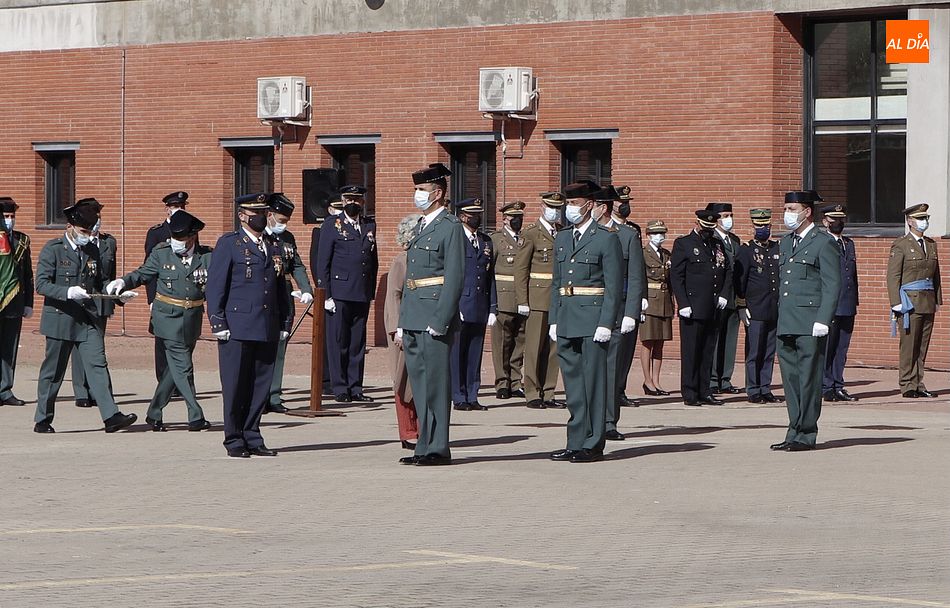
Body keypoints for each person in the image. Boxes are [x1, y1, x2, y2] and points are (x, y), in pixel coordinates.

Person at [33, 198, 138, 433]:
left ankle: (111, 416)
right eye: (83, 231)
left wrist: (117, 292)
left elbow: (100, 282)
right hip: (60, 318)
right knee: (53, 372)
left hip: (87, 318)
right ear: (70, 227)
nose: (88, 235)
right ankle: (43, 418)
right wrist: (67, 292)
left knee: (97, 365)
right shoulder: (53, 249)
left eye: (90, 231)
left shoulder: (93, 249)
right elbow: (41, 284)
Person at [108, 210, 212, 431]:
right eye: (174, 238)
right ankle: (195, 415)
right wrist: (123, 282)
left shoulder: (207, 256)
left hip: (192, 319)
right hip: (167, 318)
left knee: (173, 369)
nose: (175, 242)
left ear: (192, 237)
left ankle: (154, 413)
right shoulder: (161, 252)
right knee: (184, 367)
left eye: (180, 239)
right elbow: (143, 274)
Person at [206, 193, 292, 457]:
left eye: (264, 212)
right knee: (235, 385)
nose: (262, 217)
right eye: (256, 213)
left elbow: (280, 286)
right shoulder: (229, 244)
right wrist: (217, 321)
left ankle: (253, 435)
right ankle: (234, 439)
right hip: (237, 324)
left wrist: (285, 320)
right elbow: (216, 285)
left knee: (260, 385)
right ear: (242, 215)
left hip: (266, 324)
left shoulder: (273, 244)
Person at [548, 180, 623, 463]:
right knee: (574, 387)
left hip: (593, 319)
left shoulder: (606, 238)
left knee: (594, 384)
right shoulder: (563, 238)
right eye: (567, 204)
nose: (569, 209)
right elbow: (557, 282)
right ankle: (575, 440)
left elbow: (614, 286)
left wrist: (606, 323)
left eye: (574, 204)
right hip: (567, 317)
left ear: (589, 205)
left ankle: (593, 443)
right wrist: (554, 319)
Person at [396, 163, 465, 466]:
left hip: (433, 315)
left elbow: (454, 276)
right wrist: (402, 322)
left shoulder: (449, 227)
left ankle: (438, 447)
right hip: (413, 314)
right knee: (420, 386)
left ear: (437, 193)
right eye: (417, 189)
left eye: (422, 190)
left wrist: (441, 319)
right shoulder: (421, 225)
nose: (418, 194)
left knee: (436, 385)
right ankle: (424, 443)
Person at [771, 190, 841, 452]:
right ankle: (793, 431)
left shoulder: (823, 243)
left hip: (811, 322)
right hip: (787, 320)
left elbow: (832, 285)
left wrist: (824, 319)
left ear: (807, 211)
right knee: (790, 380)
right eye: (786, 208)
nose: (787, 214)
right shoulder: (786, 242)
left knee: (809, 380)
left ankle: (806, 433)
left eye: (792, 208)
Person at [316, 185, 379, 403]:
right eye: (349, 199)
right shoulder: (331, 225)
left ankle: (356, 387)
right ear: (343, 201)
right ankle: (340, 387)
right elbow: (322, 262)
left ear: (363, 202)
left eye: (357, 199)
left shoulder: (369, 224)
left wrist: (370, 290)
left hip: (361, 292)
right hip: (339, 292)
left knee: (357, 343)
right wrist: (326, 295)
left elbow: (373, 260)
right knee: (338, 342)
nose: (353, 203)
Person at [591, 185, 644, 441]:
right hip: (585, 310)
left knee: (611, 369)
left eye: (592, 205)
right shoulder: (581, 234)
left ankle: (609, 420)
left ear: (602, 207)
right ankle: (587, 419)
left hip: (616, 311)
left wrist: (631, 313)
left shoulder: (626, 235)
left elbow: (635, 277)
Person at [670, 209, 730, 407]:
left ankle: (705, 390)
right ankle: (690, 391)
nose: (708, 232)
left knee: (707, 351)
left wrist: (723, 293)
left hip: (712, 306)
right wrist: (683, 303)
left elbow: (726, 270)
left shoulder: (717, 244)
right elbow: (677, 277)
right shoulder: (684, 244)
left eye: (711, 229)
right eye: (705, 228)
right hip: (693, 307)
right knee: (691, 351)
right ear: (697, 224)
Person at [513, 191, 565, 410]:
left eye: (558, 208)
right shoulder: (532, 234)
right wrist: (522, 300)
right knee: (534, 346)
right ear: (543, 208)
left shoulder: (562, 232)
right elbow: (521, 268)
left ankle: (549, 391)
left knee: (554, 348)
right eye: (551, 208)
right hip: (537, 297)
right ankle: (533, 391)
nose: (554, 212)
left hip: (558, 297)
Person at [264, 192, 314, 413]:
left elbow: (297, 265)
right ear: (269, 215)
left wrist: (306, 289)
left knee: (280, 347)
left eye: (286, 221)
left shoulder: (288, 238)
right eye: (281, 220)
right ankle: (259, 396)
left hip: (284, 295)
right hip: (263, 296)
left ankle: (274, 395)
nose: (283, 225)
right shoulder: (257, 237)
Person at [887, 203, 942, 398]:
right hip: (909, 301)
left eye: (925, 218)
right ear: (910, 221)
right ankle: (907, 384)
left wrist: (937, 299)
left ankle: (919, 382)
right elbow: (893, 276)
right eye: (920, 219)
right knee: (909, 345)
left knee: (922, 345)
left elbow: (935, 274)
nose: (924, 222)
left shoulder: (931, 244)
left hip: (927, 300)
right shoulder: (901, 245)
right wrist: (895, 302)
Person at [450, 199, 497, 411]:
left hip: (479, 304)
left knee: (475, 354)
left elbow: (490, 277)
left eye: (479, 213)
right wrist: (453, 304)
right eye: (472, 214)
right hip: (460, 304)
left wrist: (493, 307)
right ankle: (458, 395)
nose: (476, 218)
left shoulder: (486, 241)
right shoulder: (455, 238)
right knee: (457, 352)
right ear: (462, 217)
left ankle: (472, 394)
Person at [71, 210, 120, 409]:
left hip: (101, 300)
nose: (96, 221)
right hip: (82, 298)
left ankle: (96, 391)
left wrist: (115, 295)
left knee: (96, 345)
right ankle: (81, 391)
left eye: (98, 216)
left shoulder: (109, 242)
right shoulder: (79, 241)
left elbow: (111, 272)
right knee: (78, 345)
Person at [735, 209, 782, 404]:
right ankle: (753, 389)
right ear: (752, 226)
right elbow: (740, 280)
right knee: (755, 351)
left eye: (766, 225)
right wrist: (741, 304)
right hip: (754, 308)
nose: (763, 229)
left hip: (773, 307)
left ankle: (765, 387)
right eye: (759, 225)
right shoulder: (746, 250)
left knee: (770, 351)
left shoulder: (775, 248)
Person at [144, 191, 190, 385]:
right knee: (162, 341)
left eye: (182, 206)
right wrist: (152, 298)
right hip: (162, 294)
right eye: (174, 207)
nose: (178, 210)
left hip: (182, 294)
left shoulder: (190, 229)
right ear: (167, 209)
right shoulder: (156, 233)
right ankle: (164, 382)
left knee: (183, 340)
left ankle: (180, 383)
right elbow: (149, 269)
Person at [384, 214, 421, 450]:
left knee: (419, 384)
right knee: (403, 381)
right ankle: (407, 431)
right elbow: (394, 296)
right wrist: (397, 328)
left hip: (420, 326)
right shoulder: (402, 260)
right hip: (402, 330)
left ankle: (420, 428)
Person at [820, 204, 860, 402]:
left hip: (847, 303)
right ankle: (826, 386)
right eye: (833, 219)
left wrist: (855, 301)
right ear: (824, 221)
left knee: (842, 348)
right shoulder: (821, 243)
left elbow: (852, 275)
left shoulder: (848, 243)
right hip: (831, 304)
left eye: (841, 219)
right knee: (828, 347)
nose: (838, 223)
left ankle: (838, 384)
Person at [490, 201, 527, 400]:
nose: (517, 221)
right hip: (503, 298)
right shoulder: (496, 240)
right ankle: (502, 383)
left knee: (520, 342)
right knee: (501, 343)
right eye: (514, 218)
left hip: (522, 298)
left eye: (520, 218)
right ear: (505, 219)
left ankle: (515, 381)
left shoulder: (525, 238)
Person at [614, 185, 646, 407]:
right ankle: (610, 391)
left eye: (627, 201)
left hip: (629, 296)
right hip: (614, 296)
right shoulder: (605, 230)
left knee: (627, 348)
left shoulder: (633, 230)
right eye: (621, 202)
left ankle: (620, 389)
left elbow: (638, 267)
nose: (625, 206)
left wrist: (642, 295)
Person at [705, 202, 741, 395]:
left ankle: (725, 379)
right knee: (715, 339)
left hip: (733, 297)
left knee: (730, 340)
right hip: (718, 297)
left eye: (730, 215)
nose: (728, 219)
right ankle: (711, 379)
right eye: (725, 215)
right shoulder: (711, 240)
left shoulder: (734, 240)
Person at [0, 196, 33, 407]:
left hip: (13, 301)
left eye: (12, 216)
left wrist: (29, 302)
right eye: (5, 216)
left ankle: (5, 389)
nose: (10, 220)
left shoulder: (22, 240)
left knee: (9, 347)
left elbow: (27, 274)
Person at [308, 195, 342, 396]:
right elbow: (318, 264)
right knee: (328, 338)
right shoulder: (321, 232)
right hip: (329, 293)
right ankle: (327, 379)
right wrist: (325, 293)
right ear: (329, 210)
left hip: (345, 291)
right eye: (336, 208)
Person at [639, 220, 673, 397]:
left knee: (660, 343)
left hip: (665, 301)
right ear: (648, 235)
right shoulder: (643, 254)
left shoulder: (667, 255)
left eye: (662, 233)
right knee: (648, 342)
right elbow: (639, 279)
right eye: (656, 234)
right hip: (650, 301)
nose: (660, 237)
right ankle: (647, 380)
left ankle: (656, 380)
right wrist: (641, 300)